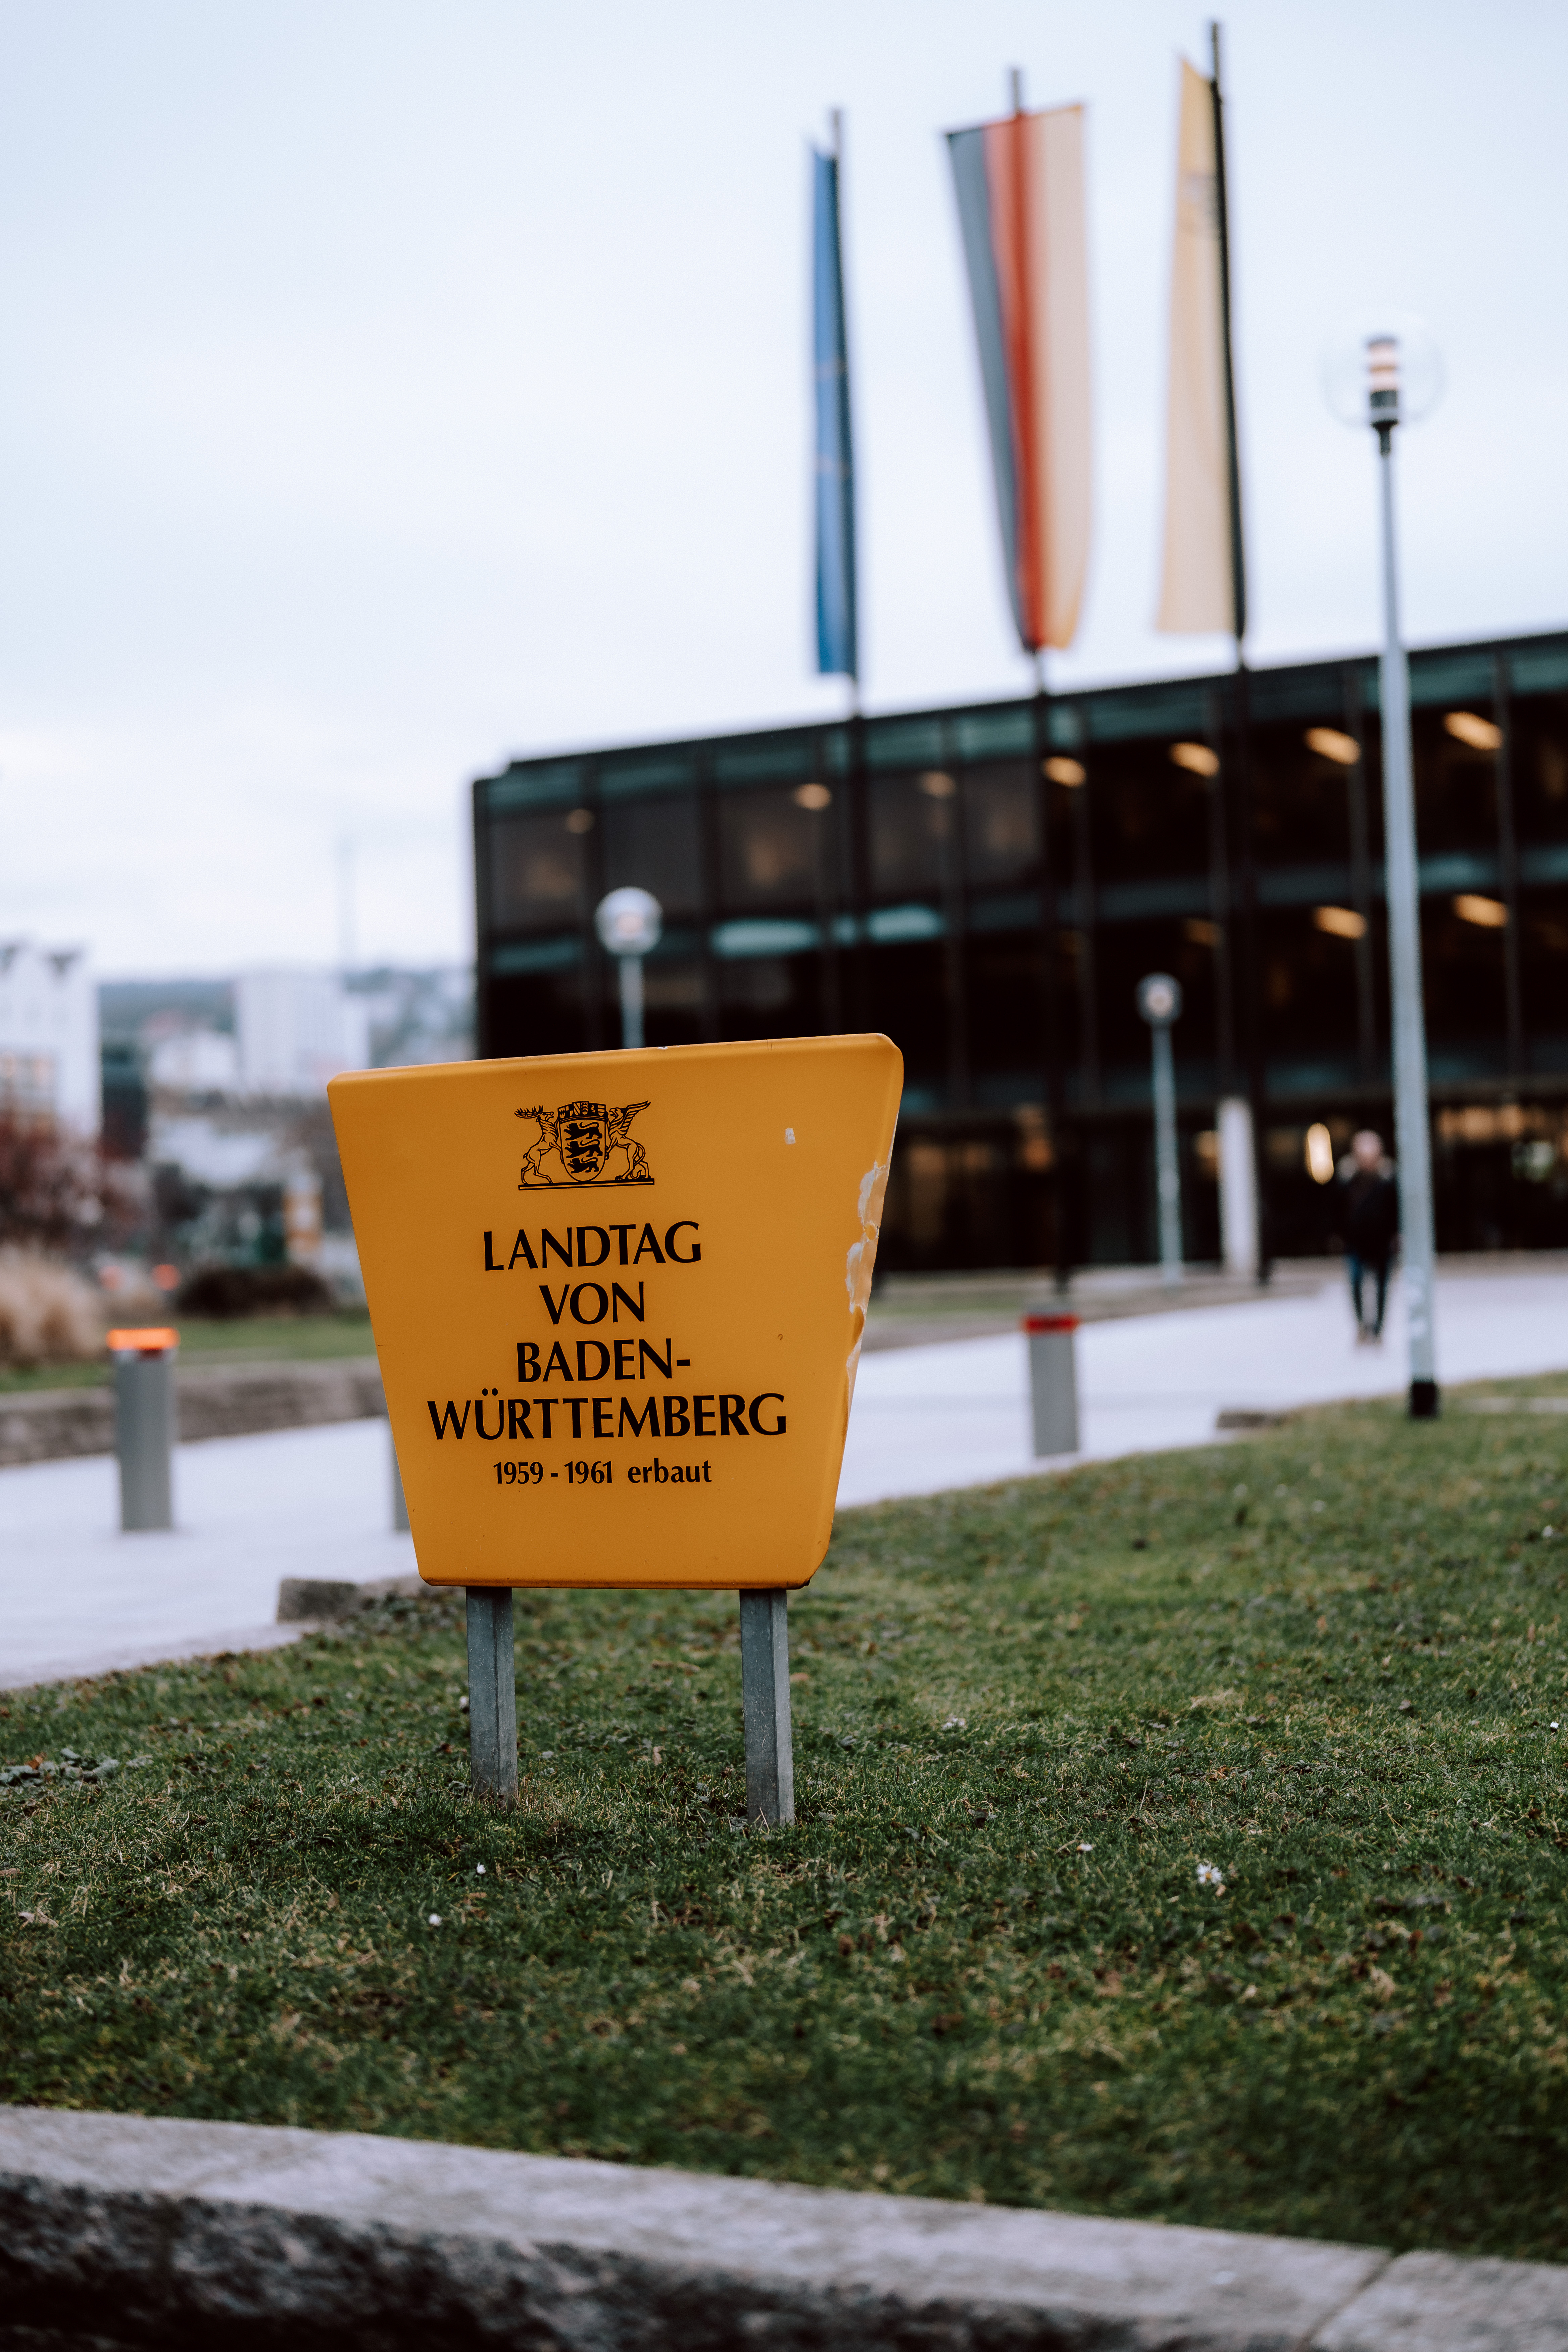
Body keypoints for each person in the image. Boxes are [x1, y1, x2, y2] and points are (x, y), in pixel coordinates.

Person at [1336, 1129, 1399, 1341]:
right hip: (1356, 1241)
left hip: (1382, 1240)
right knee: (1356, 1282)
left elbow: (1395, 1209)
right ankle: (1362, 1325)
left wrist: (1396, 1235)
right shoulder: (1346, 1179)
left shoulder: (1388, 1179)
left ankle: (1378, 1328)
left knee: (1382, 1285)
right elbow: (1337, 1209)